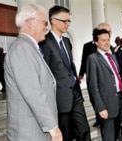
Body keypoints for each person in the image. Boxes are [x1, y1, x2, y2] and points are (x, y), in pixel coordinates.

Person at [4, 4, 62, 141]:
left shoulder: (28, 48)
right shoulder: (22, 48)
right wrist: (53, 127)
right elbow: (33, 92)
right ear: (29, 23)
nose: (47, 28)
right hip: (29, 133)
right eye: (44, 23)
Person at [39, 5, 90, 141]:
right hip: (60, 98)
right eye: (65, 21)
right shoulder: (45, 43)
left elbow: (69, 66)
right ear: (53, 21)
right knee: (65, 134)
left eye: (69, 21)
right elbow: (44, 74)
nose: (68, 24)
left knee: (84, 130)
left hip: (75, 93)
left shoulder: (67, 41)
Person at [86, 29, 122, 141]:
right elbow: (92, 86)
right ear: (96, 42)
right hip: (106, 103)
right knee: (109, 137)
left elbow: (117, 76)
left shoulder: (112, 56)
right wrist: (100, 108)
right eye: (103, 40)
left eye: (108, 40)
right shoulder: (92, 59)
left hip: (121, 99)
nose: (107, 42)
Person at [79, 23, 113, 128]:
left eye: (109, 32)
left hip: (106, 80)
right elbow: (84, 61)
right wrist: (80, 75)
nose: (108, 34)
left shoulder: (111, 47)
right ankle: (99, 116)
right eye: (105, 31)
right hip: (93, 77)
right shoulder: (88, 46)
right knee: (94, 97)